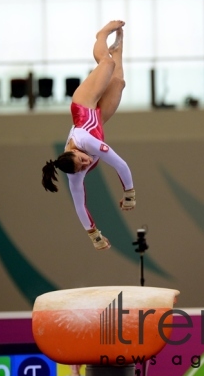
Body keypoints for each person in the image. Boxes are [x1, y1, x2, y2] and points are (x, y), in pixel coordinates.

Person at [42, 20, 135, 250]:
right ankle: (118, 47)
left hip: (84, 104)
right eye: (83, 166)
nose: (86, 164)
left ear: (73, 150)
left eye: (82, 161)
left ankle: (102, 35)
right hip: (99, 120)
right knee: (119, 82)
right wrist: (95, 237)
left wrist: (129, 193)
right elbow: (80, 207)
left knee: (107, 63)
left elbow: (120, 164)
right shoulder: (74, 175)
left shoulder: (85, 142)